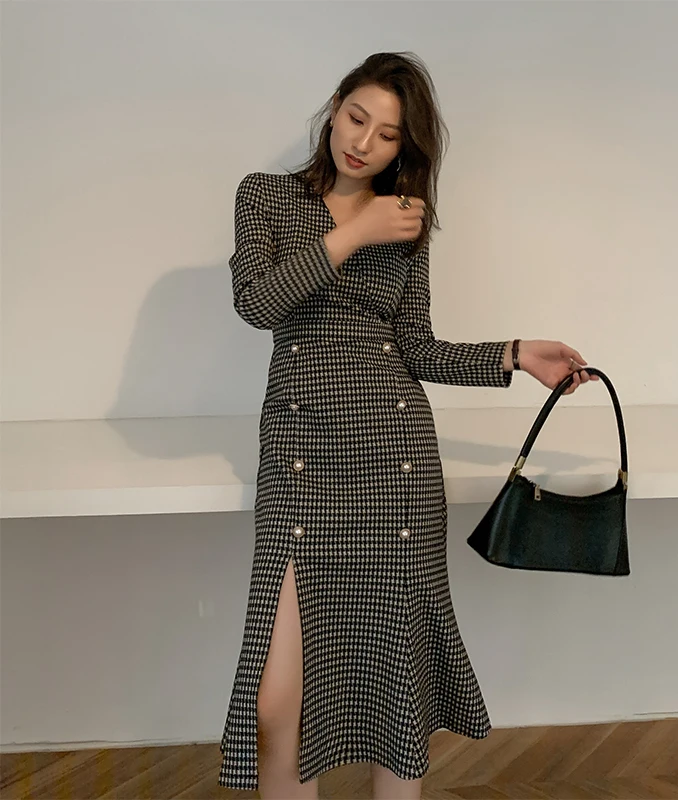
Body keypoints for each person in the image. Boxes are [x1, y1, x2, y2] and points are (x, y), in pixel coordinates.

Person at [218, 51, 598, 800]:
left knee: (397, 684)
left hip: (394, 459)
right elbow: (256, 302)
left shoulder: (406, 220)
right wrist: (352, 233)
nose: (363, 142)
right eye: (356, 118)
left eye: (387, 135)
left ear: (404, 147)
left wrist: (515, 354)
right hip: (300, 458)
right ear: (334, 108)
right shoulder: (265, 195)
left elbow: (416, 347)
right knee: (276, 705)